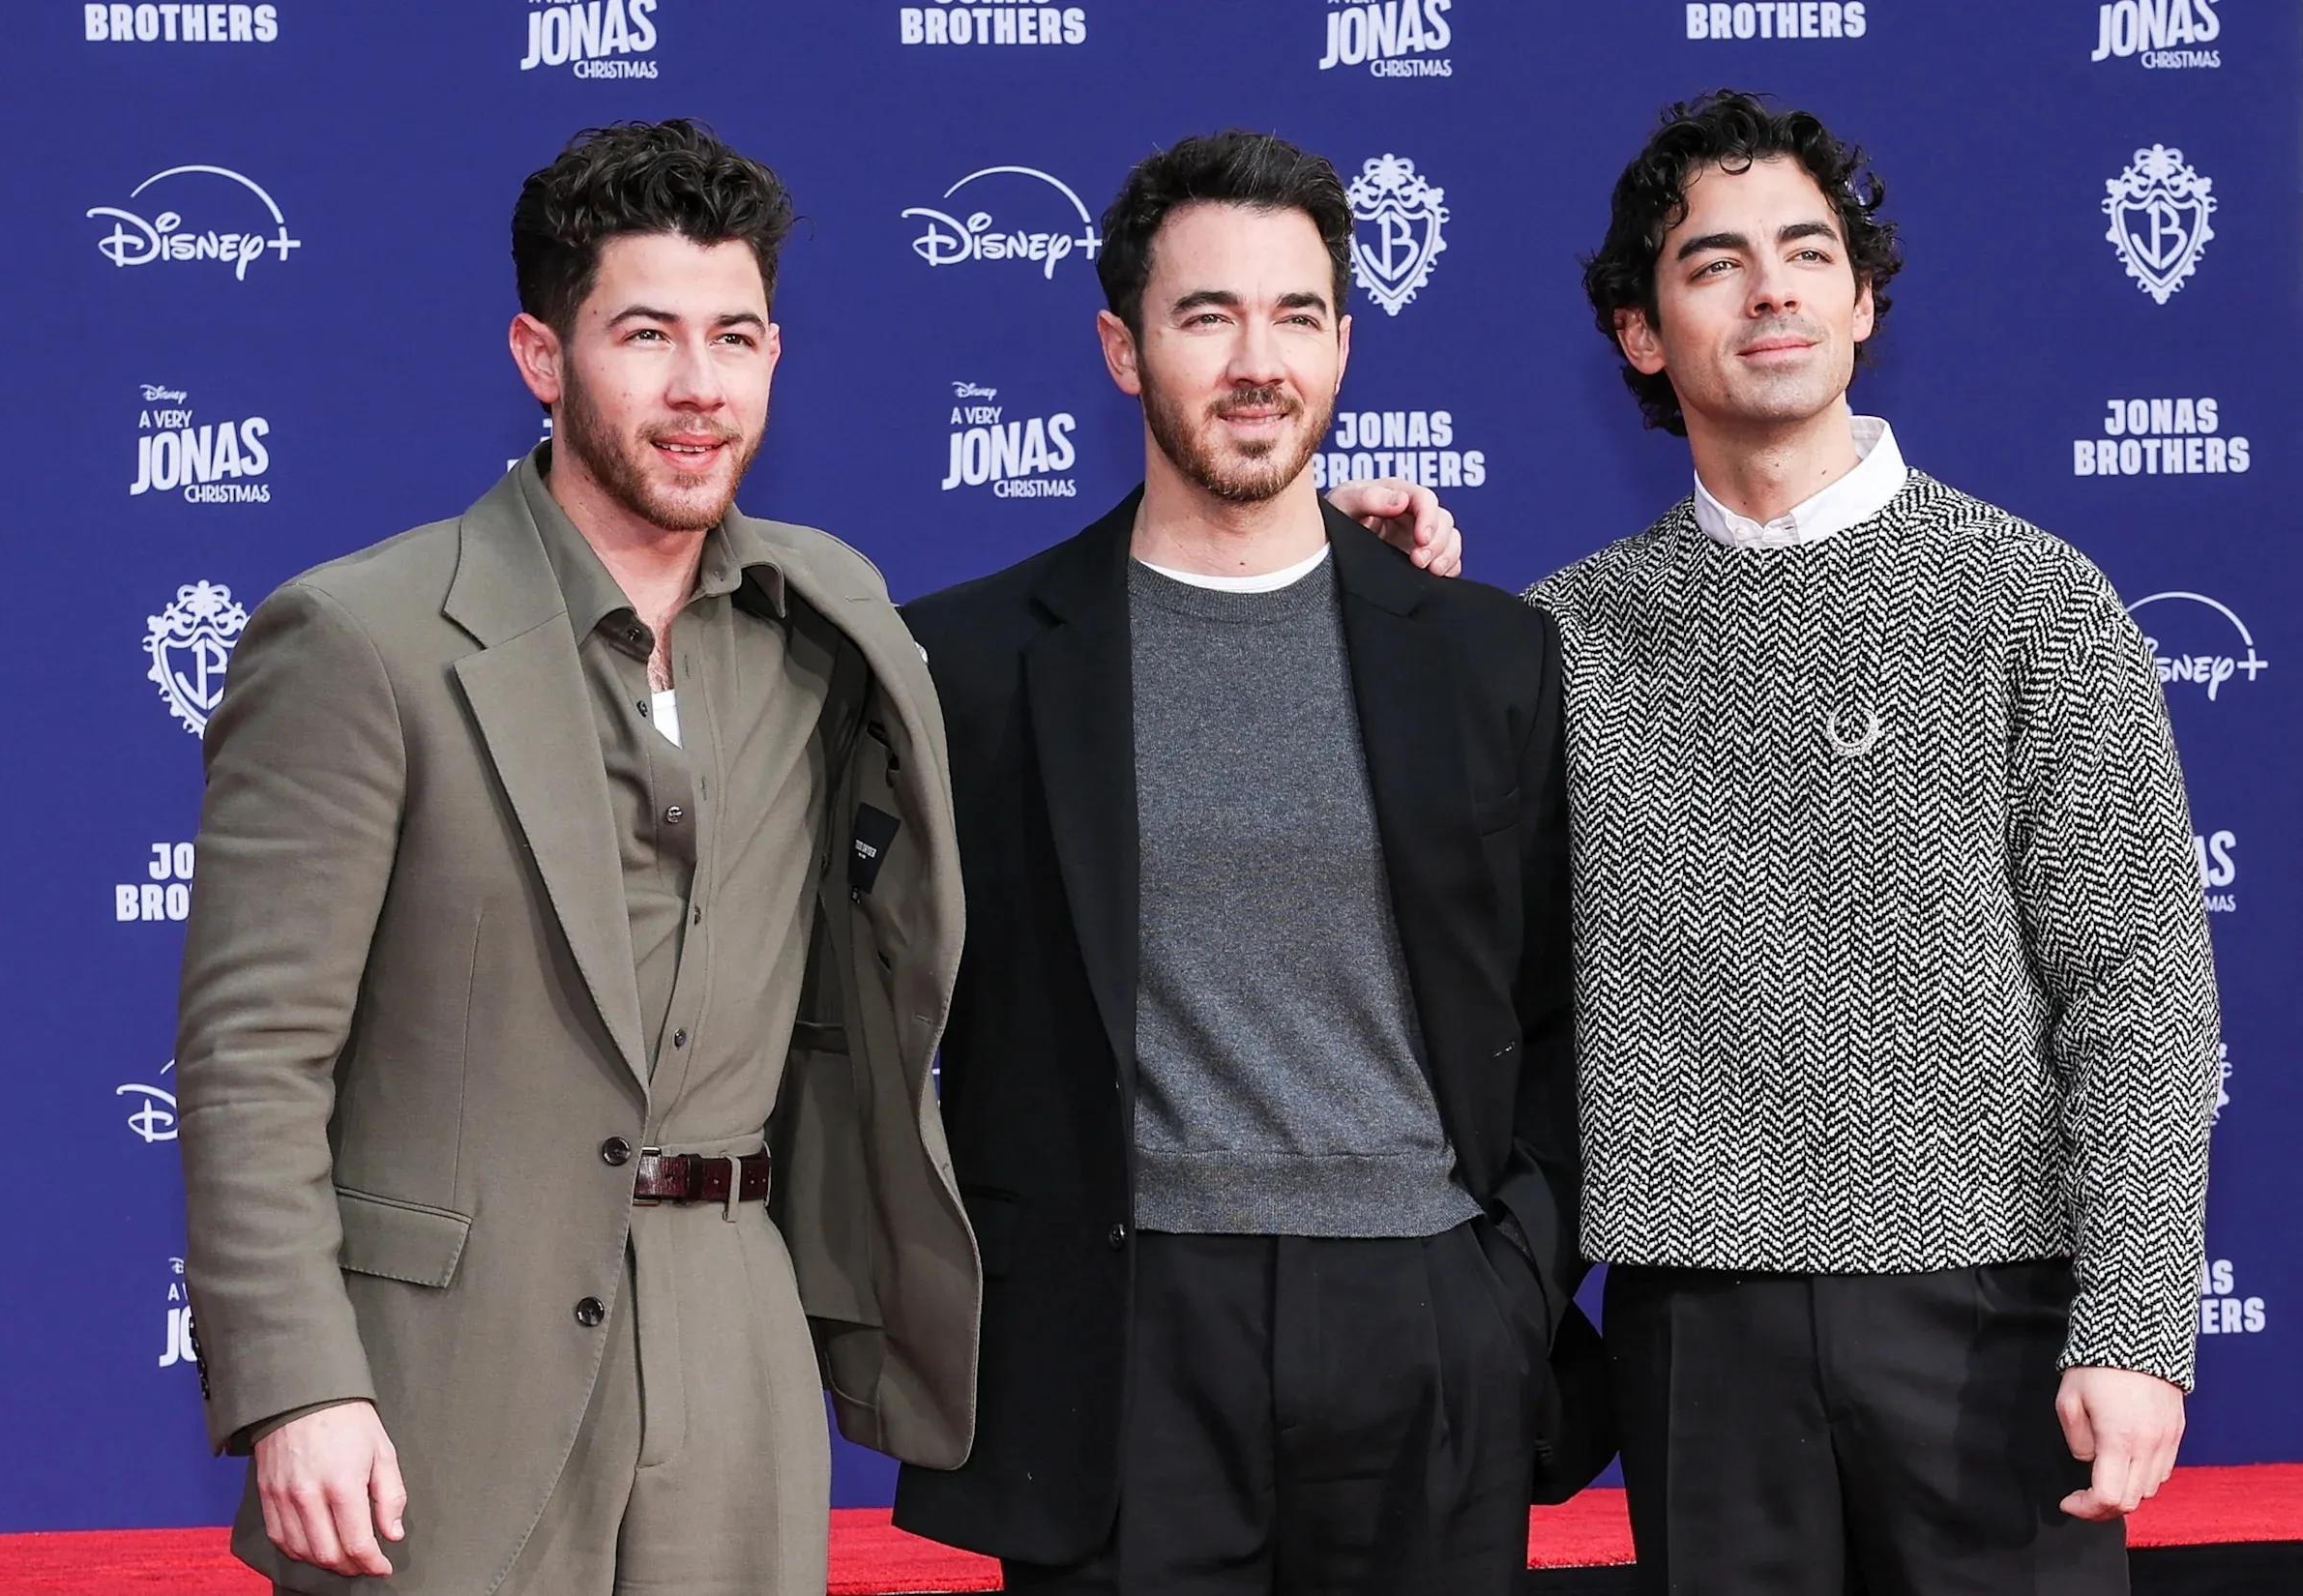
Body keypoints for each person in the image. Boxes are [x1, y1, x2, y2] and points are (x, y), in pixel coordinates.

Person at [175, 117, 1461, 1596]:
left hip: (736, 1358)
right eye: (643, 334)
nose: (696, 389)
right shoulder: (359, 639)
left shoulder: (827, 623)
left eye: (735, 336)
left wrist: (1324, 564)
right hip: (439, 1379)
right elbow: (252, 1056)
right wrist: (297, 1384)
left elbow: (1083, 657)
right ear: (541, 355)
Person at [1528, 91, 2221, 1593]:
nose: (1769, 286)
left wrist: (2136, 1324)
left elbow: (2138, 985)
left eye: (1804, 250)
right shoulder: (1555, 638)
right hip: (1694, 1329)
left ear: (1857, 297)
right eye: (1712, 262)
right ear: (1641, 332)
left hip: (1995, 1322)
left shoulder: (2032, 599)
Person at [891, 131, 1582, 1595]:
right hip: (1119, 1334)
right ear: (1121, 347)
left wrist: (1508, 1279)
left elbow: (1560, 997)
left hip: (1425, 1312)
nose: (1256, 360)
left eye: (1297, 315)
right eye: (1207, 314)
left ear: (1343, 341)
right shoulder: (970, 661)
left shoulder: (1484, 655)